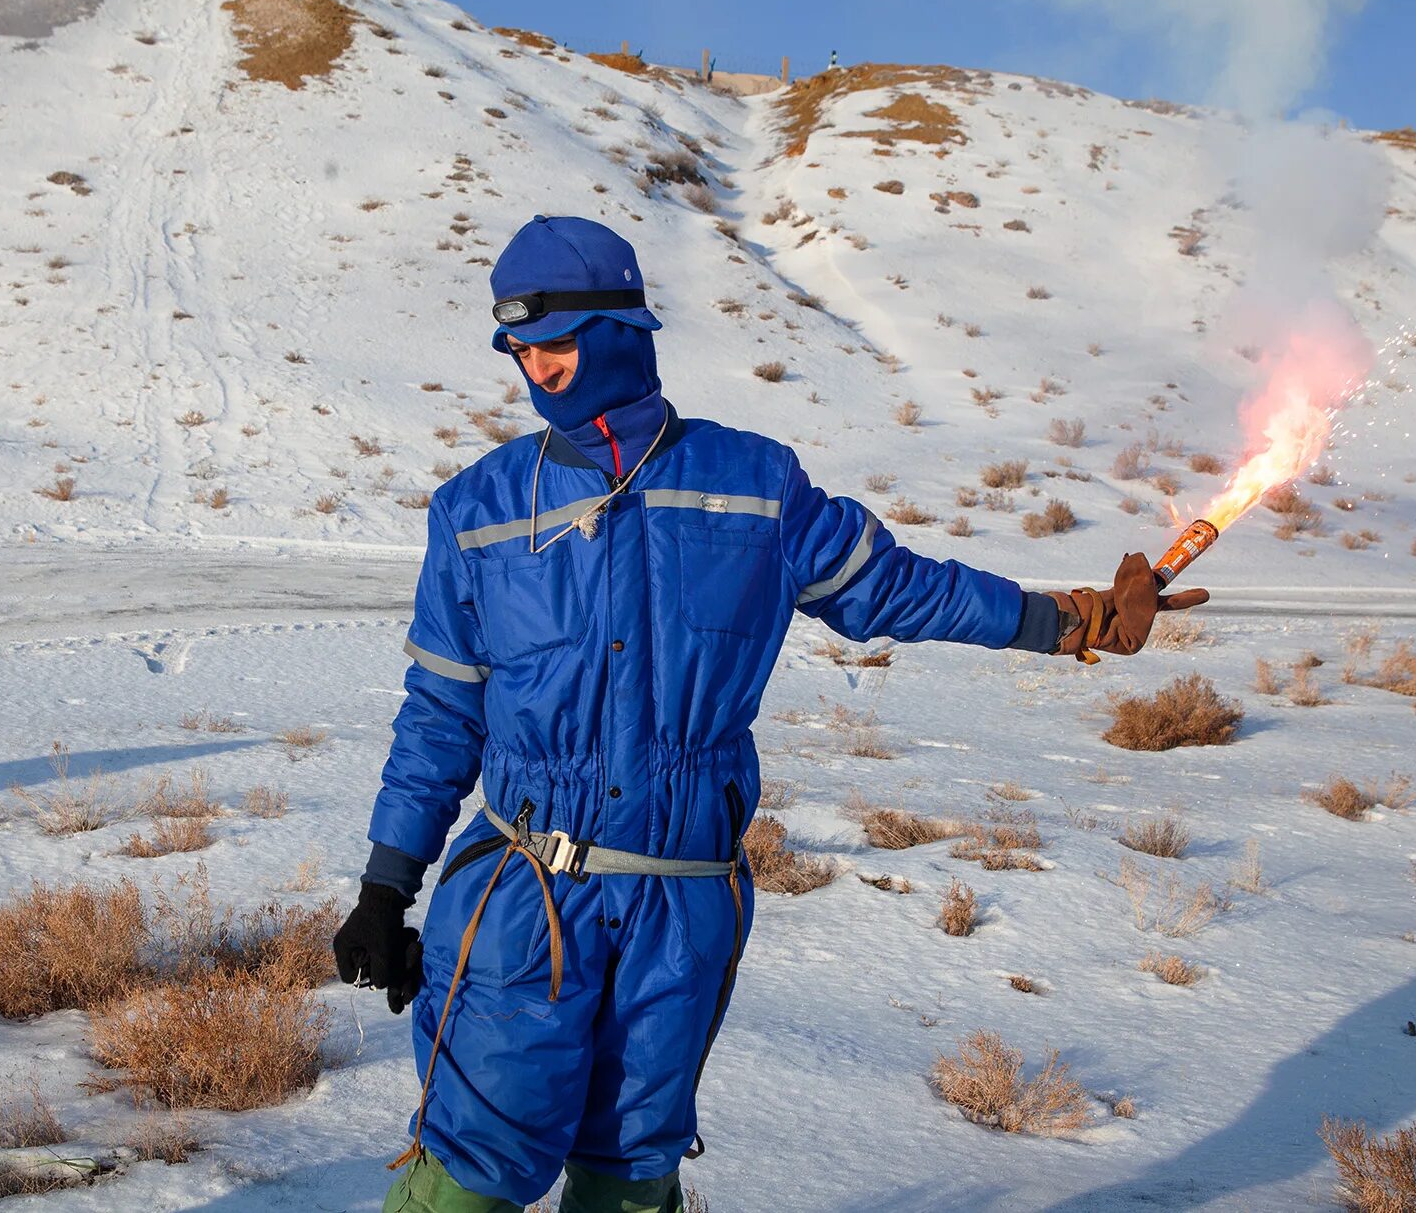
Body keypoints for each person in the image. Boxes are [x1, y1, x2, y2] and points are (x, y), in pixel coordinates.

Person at [334, 215, 1207, 1213]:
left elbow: (904, 589)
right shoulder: (477, 509)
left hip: (681, 907)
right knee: (468, 1172)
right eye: (519, 349)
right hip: (523, 905)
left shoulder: (753, 488)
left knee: (631, 1171)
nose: (536, 367)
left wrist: (1069, 621)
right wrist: (383, 883)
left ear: (621, 330)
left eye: (555, 341)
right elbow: (440, 718)